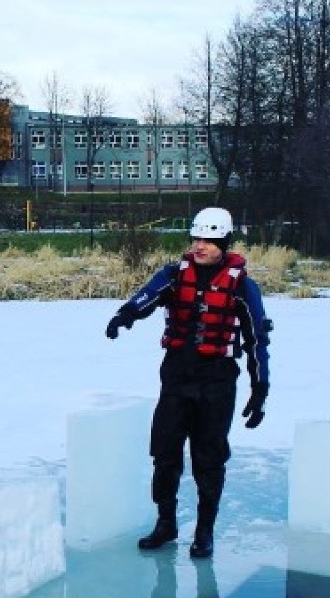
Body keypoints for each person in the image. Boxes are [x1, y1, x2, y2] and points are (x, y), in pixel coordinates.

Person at [105, 207, 271, 558]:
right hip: (177, 376)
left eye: (209, 241)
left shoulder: (243, 286)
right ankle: (165, 524)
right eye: (196, 239)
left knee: (208, 459)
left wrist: (260, 389)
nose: (200, 247)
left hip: (217, 380)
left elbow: (257, 340)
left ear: (224, 243)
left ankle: (204, 531)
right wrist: (124, 315)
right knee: (164, 453)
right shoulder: (174, 275)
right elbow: (146, 297)